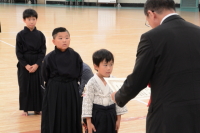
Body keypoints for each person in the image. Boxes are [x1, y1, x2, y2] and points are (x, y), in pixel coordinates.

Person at [111, 0, 200, 133]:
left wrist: (118, 96)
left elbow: (138, 79)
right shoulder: (197, 32)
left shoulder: (152, 37)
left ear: (151, 14)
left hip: (167, 118)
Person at [41, 27, 83, 133]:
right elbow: (45, 75)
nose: (64, 40)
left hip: (71, 88)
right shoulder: (49, 57)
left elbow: (79, 72)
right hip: (55, 89)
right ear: (53, 41)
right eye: (60, 38)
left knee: (71, 115)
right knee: (54, 115)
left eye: (67, 38)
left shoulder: (75, 55)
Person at [82, 49, 127, 133]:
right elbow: (87, 103)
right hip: (97, 115)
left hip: (111, 114)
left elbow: (119, 101)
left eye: (111, 65)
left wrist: (118, 119)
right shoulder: (91, 82)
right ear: (96, 66)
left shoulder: (114, 81)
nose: (109, 68)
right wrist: (89, 122)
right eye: (105, 65)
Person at [16, 8, 46, 116]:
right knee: (25, 86)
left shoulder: (40, 35)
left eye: (34, 19)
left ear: (36, 20)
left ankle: (38, 108)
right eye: (29, 19)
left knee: (39, 86)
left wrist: (37, 64)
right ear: (24, 20)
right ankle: (25, 109)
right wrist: (26, 65)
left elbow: (43, 51)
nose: (31, 21)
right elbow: (18, 53)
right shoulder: (20, 35)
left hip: (37, 64)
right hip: (25, 64)